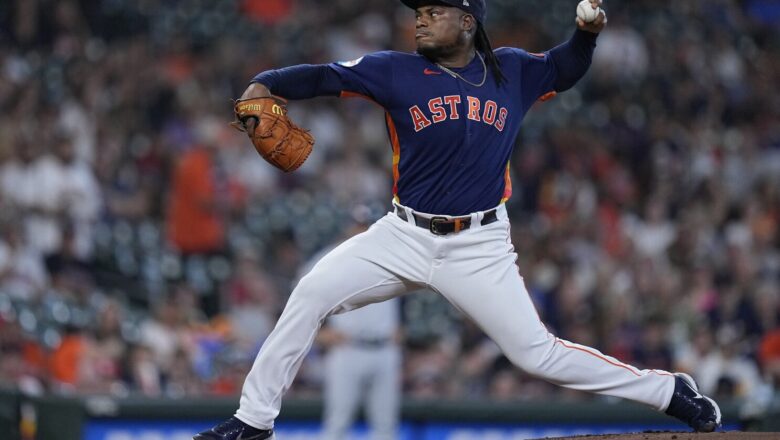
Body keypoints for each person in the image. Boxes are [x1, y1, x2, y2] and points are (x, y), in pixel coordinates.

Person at [195, 1, 721, 439]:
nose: (420, 19)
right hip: (401, 234)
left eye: (434, 10)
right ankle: (254, 421)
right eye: (418, 11)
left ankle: (668, 391)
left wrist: (586, 34)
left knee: (536, 355)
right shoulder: (395, 70)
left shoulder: (511, 70)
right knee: (310, 292)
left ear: (468, 21)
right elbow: (323, 75)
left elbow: (565, 67)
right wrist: (264, 82)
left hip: (480, 244)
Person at [300, 208, 402, 440]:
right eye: (357, 224)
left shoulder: (393, 255)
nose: (361, 229)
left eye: (365, 224)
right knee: (337, 423)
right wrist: (318, 333)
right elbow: (300, 297)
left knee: (386, 427)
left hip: (385, 349)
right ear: (346, 227)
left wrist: (403, 325)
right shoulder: (328, 258)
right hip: (348, 349)